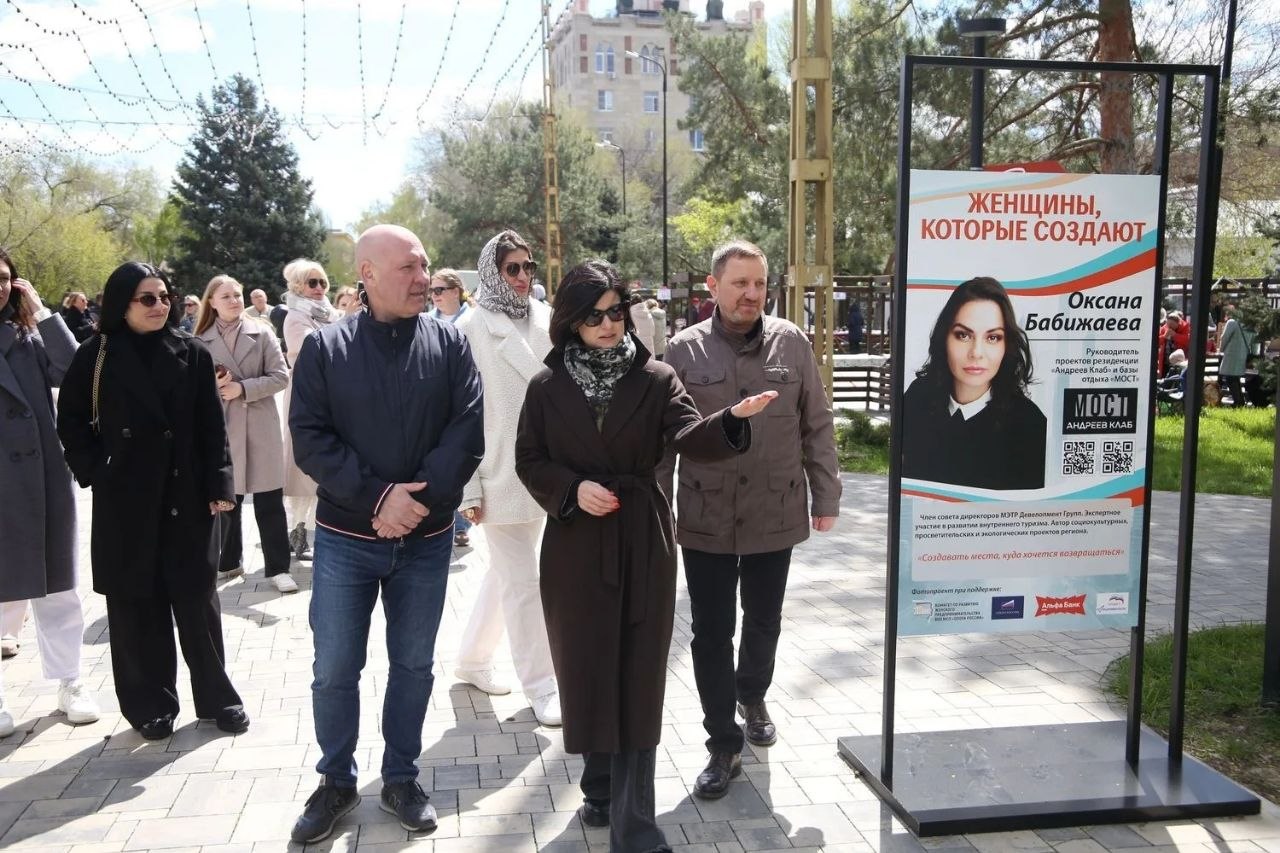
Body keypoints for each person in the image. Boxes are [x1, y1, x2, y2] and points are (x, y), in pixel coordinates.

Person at [516, 260, 775, 852]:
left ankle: (636, 826)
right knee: (587, 668)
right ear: (572, 321)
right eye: (594, 316)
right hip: (576, 544)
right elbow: (529, 459)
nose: (609, 325)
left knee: (636, 674)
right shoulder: (546, 386)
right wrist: (571, 490)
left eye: (616, 312)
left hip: (642, 537)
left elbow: (687, 435)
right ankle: (599, 785)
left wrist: (729, 420)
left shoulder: (656, 378)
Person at [287, 224, 483, 843]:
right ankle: (335, 782)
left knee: (414, 666)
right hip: (346, 541)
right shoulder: (326, 349)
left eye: (425, 266)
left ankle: (401, 777)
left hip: (424, 542)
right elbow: (310, 438)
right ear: (367, 274)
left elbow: (467, 430)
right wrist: (377, 498)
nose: (424, 278)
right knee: (334, 669)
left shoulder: (450, 344)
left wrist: (414, 504)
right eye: (409, 268)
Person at [658, 239, 841, 799]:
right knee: (712, 632)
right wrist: (657, 510)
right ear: (713, 287)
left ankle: (752, 695)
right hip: (706, 514)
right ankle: (722, 742)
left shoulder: (792, 343)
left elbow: (817, 422)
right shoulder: (683, 350)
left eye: (759, 283)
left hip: (774, 508)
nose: (751, 293)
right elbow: (663, 439)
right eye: (740, 283)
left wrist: (826, 496)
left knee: (764, 619)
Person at [56, 261, 248, 740]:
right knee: (136, 608)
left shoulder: (192, 352)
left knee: (198, 603)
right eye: (147, 298)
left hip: (188, 496)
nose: (160, 305)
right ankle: (150, 706)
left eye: (164, 296)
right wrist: (96, 470)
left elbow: (212, 427)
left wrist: (220, 486)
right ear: (121, 304)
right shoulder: (95, 355)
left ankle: (218, 699)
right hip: (126, 499)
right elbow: (71, 421)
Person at [454, 230, 561, 723]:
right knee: (523, 582)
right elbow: (459, 415)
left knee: (507, 573)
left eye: (528, 267)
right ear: (491, 273)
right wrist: (468, 488)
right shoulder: (470, 328)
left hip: (549, 470)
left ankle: (472, 660)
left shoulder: (546, 317)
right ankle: (542, 684)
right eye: (511, 268)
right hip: (498, 474)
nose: (522, 276)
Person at [0, 248, 100, 736]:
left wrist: (42, 312)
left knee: (59, 588)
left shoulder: (28, 334)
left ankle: (70, 680)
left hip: (42, 477)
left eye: (5, 278)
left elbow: (76, 372)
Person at [194, 275, 296, 593]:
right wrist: (214, 385)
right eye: (226, 296)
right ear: (211, 302)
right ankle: (228, 561)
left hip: (260, 425)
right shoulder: (199, 340)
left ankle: (279, 567)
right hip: (222, 427)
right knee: (227, 499)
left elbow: (280, 377)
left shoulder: (262, 332)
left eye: (237, 295)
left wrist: (242, 388)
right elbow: (189, 387)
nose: (234, 300)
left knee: (269, 502)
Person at [900, 276, 1046, 490]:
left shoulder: (1029, 423)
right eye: (963, 335)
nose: (976, 353)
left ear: (1007, 345)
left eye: (992, 338)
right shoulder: (918, 397)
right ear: (944, 338)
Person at [280, 259, 343, 559]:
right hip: (307, 394)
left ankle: (324, 532)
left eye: (323, 282)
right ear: (298, 286)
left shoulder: (330, 313)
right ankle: (298, 531)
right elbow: (312, 350)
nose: (319, 288)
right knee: (304, 467)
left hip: (334, 395)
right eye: (312, 283)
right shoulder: (295, 316)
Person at [1218, 304, 1248, 407]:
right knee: (1235, 378)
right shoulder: (1244, 323)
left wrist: (1221, 350)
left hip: (1232, 354)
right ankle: (1240, 401)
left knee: (1230, 378)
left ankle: (1237, 402)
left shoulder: (1231, 322)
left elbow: (1224, 337)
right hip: (1242, 354)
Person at [1158, 310, 1190, 377]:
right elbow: (1157, 342)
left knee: (1177, 379)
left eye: (1172, 324)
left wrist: (1175, 335)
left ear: (1178, 323)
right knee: (1165, 379)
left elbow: (1188, 342)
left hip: (1179, 362)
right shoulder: (1164, 328)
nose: (1170, 326)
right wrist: (1164, 337)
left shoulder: (1185, 327)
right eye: (1168, 324)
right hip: (1165, 362)